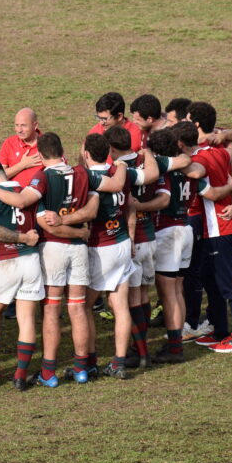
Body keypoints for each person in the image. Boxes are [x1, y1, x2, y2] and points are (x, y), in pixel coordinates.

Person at [0, 132, 125, 386]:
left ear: (43, 156)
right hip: (79, 247)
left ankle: (48, 372)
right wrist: (121, 164)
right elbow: (115, 185)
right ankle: (81, 370)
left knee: (52, 310)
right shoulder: (82, 173)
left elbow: (22, 200)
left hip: (53, 249)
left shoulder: (43, 176)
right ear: (62, 151)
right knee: (78, 307)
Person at [75, 131, 161, 379]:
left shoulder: (87, 176)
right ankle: (119, 362)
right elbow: (146, 182)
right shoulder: (122, 172)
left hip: (99, 247)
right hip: (123, 243)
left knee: (86, 306)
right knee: (120, 306)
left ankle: (89, 361)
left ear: (87, 154)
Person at [147, 124, 232, 361]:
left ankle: (174, 346)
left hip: (167, 231)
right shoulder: (190, 167)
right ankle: (177, 342)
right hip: (186, 228)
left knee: (168, 293)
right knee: (177, 290)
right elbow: (212, 193)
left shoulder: (161, 168)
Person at [183, 105, 232, 353]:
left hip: (220, 227)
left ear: (197, 125)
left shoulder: (201, 158)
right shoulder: (219, 152)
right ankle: (220, 331)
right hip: (216, 228)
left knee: (230, 285)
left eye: (189, 121)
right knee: (212, 282)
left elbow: (221, 183)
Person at [0, 161, 43, 391]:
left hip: (5, 263)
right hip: (32, 261)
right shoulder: (26, 192)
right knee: (26, 321)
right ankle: (20, 376)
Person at [0, 108, 44, 186]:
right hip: (11, 195)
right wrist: (22, 165)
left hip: (39, 195)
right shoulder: (9, 143)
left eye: (23, 125)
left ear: (35, 125)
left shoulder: (48, 144)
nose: (19, 130)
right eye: (17, 125)